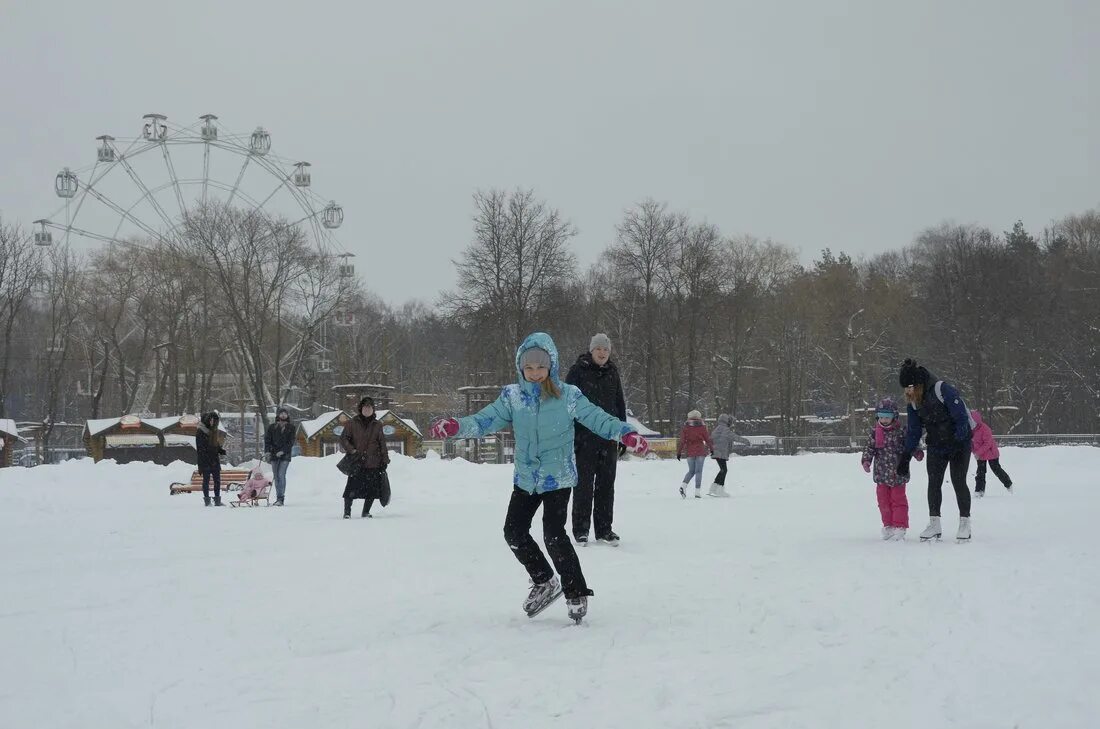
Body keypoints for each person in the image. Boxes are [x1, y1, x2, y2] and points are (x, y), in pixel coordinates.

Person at [429, 332, 650, 623]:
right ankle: (545, 580)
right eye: (529, 367)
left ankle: (576, 591)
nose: (534, 373)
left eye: (540, 367)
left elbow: (598, 418)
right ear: (521, 367)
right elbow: (484, 420)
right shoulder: (512, 398)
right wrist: (456, 426)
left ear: (552, 366)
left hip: (556, 478)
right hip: (526, 478)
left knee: (554, 535)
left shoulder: (568, 396)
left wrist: (625, 432)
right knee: (514, 531)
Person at [897, 358, 974, 542]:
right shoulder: (914, 402)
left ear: (919, 384)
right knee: (934, 482)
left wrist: (958, 439)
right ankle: (934, 523)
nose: (907, 392)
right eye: (905, 389)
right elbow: (914, 430)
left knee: (958, 481)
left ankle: (964, 523)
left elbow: (961, 418)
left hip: (959, 443)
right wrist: (906, 456)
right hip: (937, 444)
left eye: (910, 388)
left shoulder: (942, 389)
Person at [565, 332, 627, 545]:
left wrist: (623, 435)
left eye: (606, 350)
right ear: (591, 350)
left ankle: (604, 530)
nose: (602, 353)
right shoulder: (578, 371)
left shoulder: (613, 372)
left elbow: (620, 404)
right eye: (598, 349)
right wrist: (570, 436)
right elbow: (567, 405)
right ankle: (581, 530)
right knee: (583, 486)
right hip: (583, 438)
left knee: (606, 485)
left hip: (609, 439)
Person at [861, 397, 923, 540]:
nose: (884, 420)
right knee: (883, 502)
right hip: (881, 475)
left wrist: (917, 452)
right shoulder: (875, 432)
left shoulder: (902, 431)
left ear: (894, 416)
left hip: (898, 474)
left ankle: (900, 526)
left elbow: (910, 444)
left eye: (887, 416)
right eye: (881, 416)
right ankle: (888, 525)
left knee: (898, 501)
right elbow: (869, 448)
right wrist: (866, 461)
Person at [338, 396, 390, 519]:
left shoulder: (377, 425)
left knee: (371, 490)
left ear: (373, 409)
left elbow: (382, 443)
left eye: (370, 407)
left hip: (373, 462)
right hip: (357, 461)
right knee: (350, 488)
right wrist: (352, 450)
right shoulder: (352, 423)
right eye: (365, 407)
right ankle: (347, 512)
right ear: (361, 408)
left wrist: (385, 460)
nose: (367, 409)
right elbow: (343, 439)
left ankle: (366, 511)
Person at [970, 409, 1012, 497]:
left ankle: (1008, 484)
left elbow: (988, 443)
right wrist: (974, 452)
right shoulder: (971, 430)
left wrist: (978, 453)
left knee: (996, 469)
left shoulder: (985, 429)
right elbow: (971, 443)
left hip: (991, 453)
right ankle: (979, 491)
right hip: (980, 455)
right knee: (980, 472)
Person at [708, 413, 748, 497]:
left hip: (716, 452)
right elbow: (735, 437)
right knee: (724, 470)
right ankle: (719, 489)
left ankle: (714, 488)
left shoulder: (716, 429)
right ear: (727, 421)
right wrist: (745, 441)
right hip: (721, 452)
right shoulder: (726, 430)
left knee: (723, 470)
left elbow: (710, 439)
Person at [676, 410, 712, 499]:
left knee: (691, 471)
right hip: (700, 450)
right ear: (699, 417)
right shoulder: (702, 427)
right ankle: (697, 492)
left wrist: (679, 452)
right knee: (698, 471)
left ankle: (683, 486)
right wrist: (712, 449)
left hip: (690, 451)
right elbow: (707, 439)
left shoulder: (686, 427)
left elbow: (682, 441)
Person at [264, 407, 296, 506]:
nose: (283, 415)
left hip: (285, 455)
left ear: (287, 415)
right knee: (276, 476)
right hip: (274, 454)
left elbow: (291, 442)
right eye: (281, 413)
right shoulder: (272, 427)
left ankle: (281, 498)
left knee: (281, 475)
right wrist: (268, 452)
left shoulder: (291, 427)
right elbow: (267, 441)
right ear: (278, 415)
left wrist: (283, 451)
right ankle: (278, 497)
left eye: (285, 413)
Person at [195, 411, 227, 507]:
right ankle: (207, 500)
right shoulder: (201, 431)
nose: (214, 423)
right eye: (212, 421)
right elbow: (200, 448)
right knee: (206, 480)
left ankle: (217, 500)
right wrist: (210, 452)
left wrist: (220, 450)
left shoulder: (213, 431)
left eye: (215, 421)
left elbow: (215, 444)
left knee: (217, 480)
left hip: (214, 460)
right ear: (208, 420)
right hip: (205, 460)